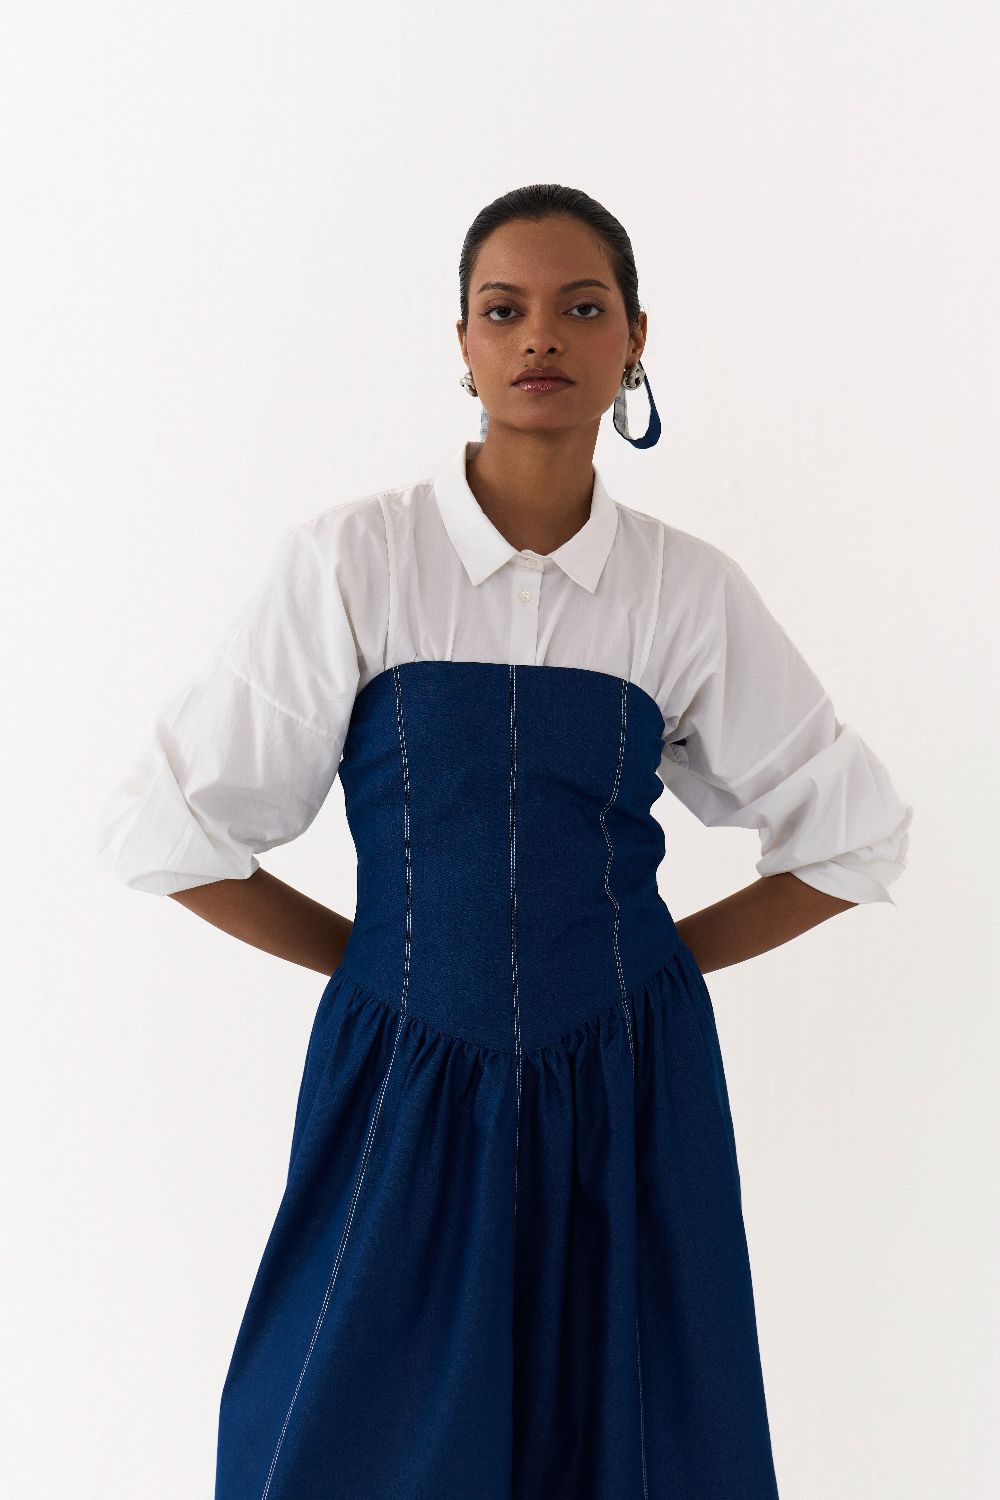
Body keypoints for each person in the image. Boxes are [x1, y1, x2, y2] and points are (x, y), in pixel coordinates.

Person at [95, 184, 913, 1499]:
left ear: (634, 340)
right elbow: (169, 829)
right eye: (504, 309)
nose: (541, 336)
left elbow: (851, 837)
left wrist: (647, 968)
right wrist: (380, 962)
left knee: (632, 1439)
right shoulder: (354, 559)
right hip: (403, 1078)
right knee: (334, 1436)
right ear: (463, 342)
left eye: (582, 308)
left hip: (627, 1085)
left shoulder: (686, 589)